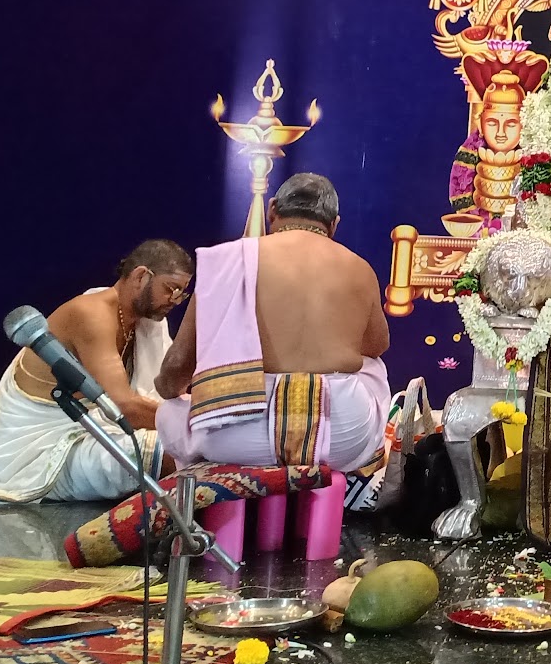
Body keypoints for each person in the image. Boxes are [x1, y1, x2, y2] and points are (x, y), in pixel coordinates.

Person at [154, 173, 391, 472]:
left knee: (169, 412)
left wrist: (168, 392)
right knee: (372, 368)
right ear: (334, 224)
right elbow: (377, 345)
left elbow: (178, 364)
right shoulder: (360, 268)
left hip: (236, 430)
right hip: (337, 437)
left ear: (272, 210)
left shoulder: (231, 258)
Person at [0, 240, 194, 504]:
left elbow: (167, 392)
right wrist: (195, 423)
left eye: (181, 294)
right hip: (44, 455)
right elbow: (124, 408)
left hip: (91, 433)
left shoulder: (146, 324)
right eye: (170, 289)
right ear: (140, 276)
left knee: (191, 445)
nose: (174, 300)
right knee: (175, 450)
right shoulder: (92, 314)